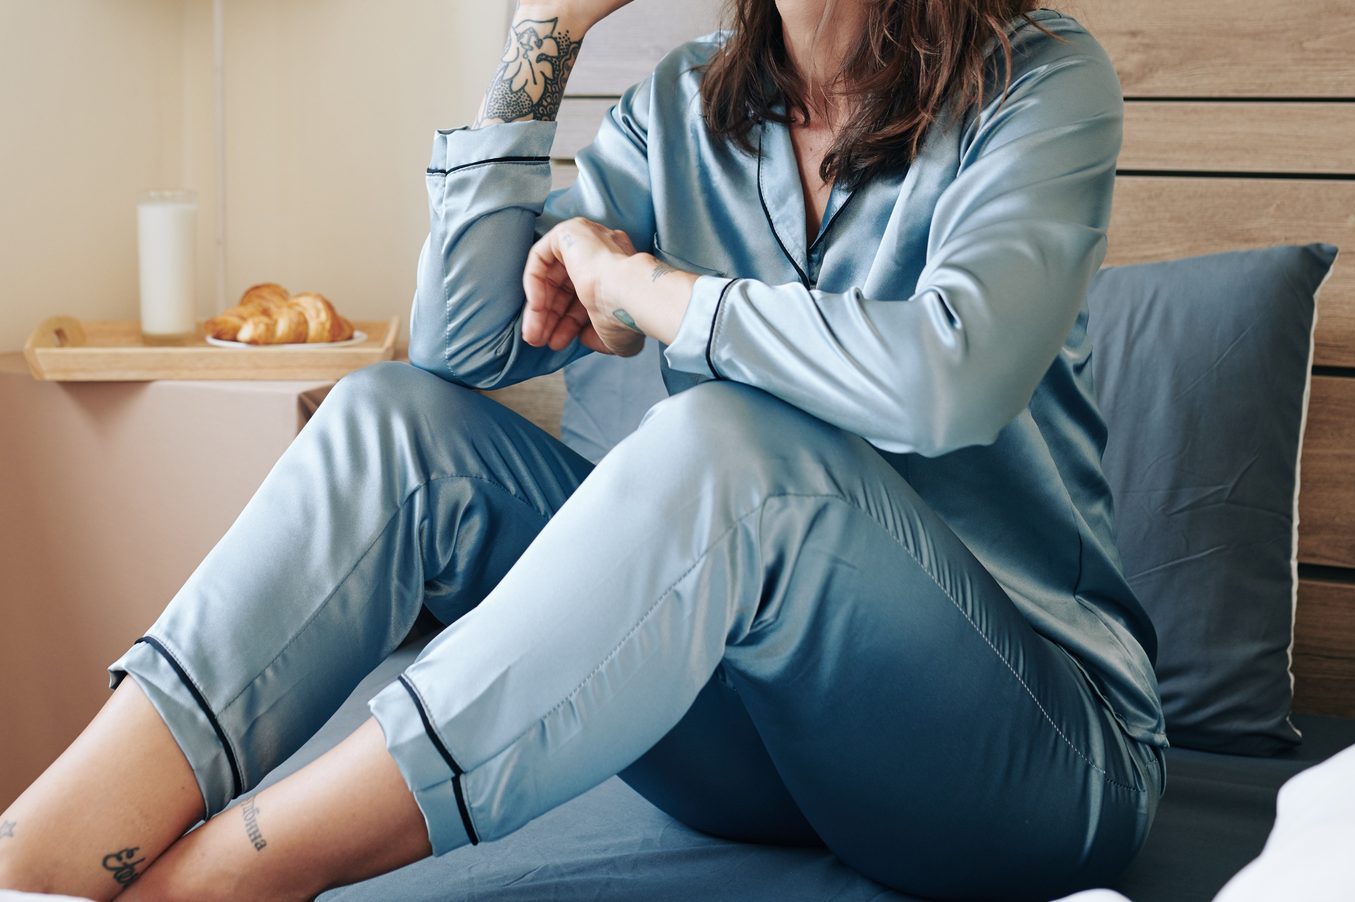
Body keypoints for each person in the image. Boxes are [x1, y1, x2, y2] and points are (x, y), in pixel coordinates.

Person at [0, 0, 1169, 898]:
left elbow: (943, 380)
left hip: (1026, 754)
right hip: (755, 754)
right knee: (387, 420)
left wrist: (647, 286)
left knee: (725, 446)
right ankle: (39, 857)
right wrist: (542, 32)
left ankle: (239, 869)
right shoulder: (684, 105)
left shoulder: (1041, 80)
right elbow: (460, 350)